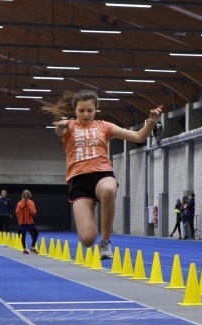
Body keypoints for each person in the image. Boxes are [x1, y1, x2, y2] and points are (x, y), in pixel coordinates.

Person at [43, 89, 163, 260]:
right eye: (81, 110)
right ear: (75, 110)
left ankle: (105, 242)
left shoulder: (104, 126)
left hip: (102, 174)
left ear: (96, 109)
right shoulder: (69, 126)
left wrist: (152, 121)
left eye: (90, 110)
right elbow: (59, 132)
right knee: (87, 239)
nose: (86, 114)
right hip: (79, 181)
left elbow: (138, 137)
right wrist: (60, 126)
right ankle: (91, 221)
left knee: (108, 190)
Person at [15, 189, 39, 255]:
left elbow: (17, 212)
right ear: (29, 195)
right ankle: (33, 247)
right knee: (36, 233)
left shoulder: (19, 203)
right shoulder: (31, 203)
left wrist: (20, 219)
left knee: (23, 235)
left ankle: (25, 249)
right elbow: (33, 212)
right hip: (29, 221)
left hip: (22, 221)